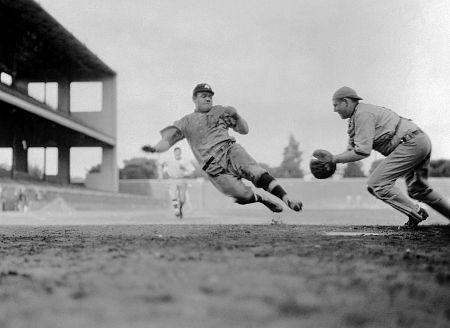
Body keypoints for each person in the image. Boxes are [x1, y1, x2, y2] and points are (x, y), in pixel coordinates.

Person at [142, 83, 302, 213]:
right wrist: (155, 149)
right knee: (243, 197)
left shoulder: (220, 111)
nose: (208, 98)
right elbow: (167, 141)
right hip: (212, 168)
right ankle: (263, 199)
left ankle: (287, 198)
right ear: (194, 98)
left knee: (256, 173)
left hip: (230, 151)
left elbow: (244, 130)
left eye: (210, 96)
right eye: (203, 95)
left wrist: (237, 116)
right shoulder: (186, 121)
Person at [319, 86, 450, 228]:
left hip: (410, 142)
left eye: (336, 105)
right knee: (417, 189)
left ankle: (417, 213)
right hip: (418, 140)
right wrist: (331, 161)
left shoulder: (363, 114)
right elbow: (351, 151)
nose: (334, 109)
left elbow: (363, 151)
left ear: (345, 101)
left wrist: (334, 158)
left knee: (376, 183)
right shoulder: (355, 120)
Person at [161, 147, 194, 218]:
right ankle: (176, 209)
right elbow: (162, 165)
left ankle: (180, 208)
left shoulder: (185, 160)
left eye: (179, 152)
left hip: (181, 179)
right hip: (172, 179)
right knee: (173, 195)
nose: (178, 153)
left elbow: (192, 170)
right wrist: (162, 172)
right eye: (176, 152)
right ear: (174, 152)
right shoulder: (170, 160)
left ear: (181, 152)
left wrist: (185, 171)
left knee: (182, 199)